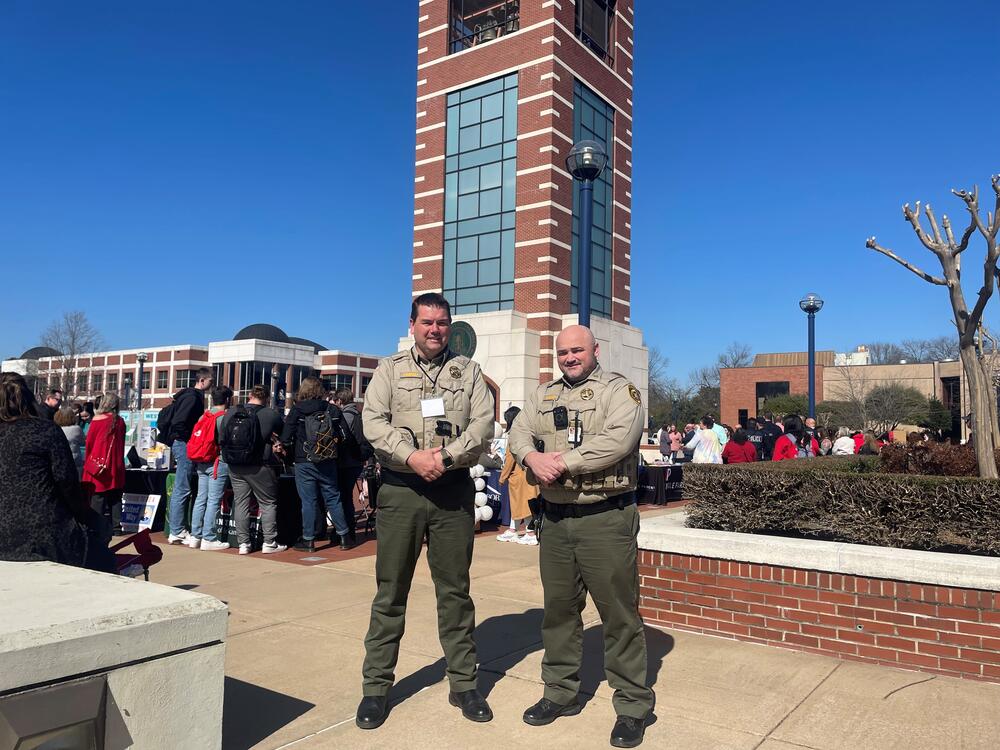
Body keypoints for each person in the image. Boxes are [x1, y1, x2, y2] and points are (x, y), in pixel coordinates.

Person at [507, 324, 653, 748]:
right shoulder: (544, 393)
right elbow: (519, 429)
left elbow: (619, 441)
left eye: (577, 350)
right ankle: (560, 692)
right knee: (559, 612)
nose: (570, 357)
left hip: (604, 519)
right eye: (563, 352)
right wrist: (531, 455)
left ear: (596, 350)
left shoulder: (618, 392)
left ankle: (632, 705)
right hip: (554, 520)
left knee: (619, 615)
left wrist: (563, 463)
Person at [356, 292, 494, 730]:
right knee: (390, 592)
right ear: (412, 324)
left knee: (454, 591)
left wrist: (447, 458)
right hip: (401, 491)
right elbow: (372, 422)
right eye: (427, 322)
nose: (435, 330)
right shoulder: (388, 370)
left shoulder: (469, 372)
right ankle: (376, 688)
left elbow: (482, 425)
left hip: (452, 492)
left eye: (442, 322)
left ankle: (464, 682)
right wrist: (411, 457)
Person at [0, 373, 110, 570]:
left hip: (8, 533)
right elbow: (66, 482)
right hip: (43, 534)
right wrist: (86, 517)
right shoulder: (45, 430)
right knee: (104, 548)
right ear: (29, 399)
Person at [279, 377, 351, 552]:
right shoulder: (332, 409)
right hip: (328, 460)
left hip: (304, 461)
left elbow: (285, 438)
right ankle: (344, 536)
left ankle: (308, 540)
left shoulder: (297, 411)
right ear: (320, 391)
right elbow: (345, 435)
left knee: (308, 501)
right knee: (333, 498)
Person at [222, 385, 287, 555]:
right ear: (266, 398)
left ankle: (243, 544)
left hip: (235, 464)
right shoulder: (270, 414)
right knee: (268, 503)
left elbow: (221, 436)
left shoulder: (231, 412)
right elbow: (285, 434)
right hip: (260, 465)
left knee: (240, 502)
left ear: (249, 395)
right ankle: (269, 542)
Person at [165, 367, 215, 544]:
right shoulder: (193, 397)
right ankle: (177, 530)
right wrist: (190, 438)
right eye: (210, 381)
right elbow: (180, 421)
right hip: (183, 443)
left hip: (182, 442)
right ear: (202, 381)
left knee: (182, 486)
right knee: (182, 487)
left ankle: (177, 529)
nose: (211, 384)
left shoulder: (188, 396)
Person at [188, 385, 233, 551]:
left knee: (201, 498)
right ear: (227, 399)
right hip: (217, 462)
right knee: (213, 500)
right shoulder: (224, 417)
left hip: (201, 461)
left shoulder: (203, 416)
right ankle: (209, 537)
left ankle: (195, 536)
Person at [83, 392, 127, 535]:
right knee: (115, 497)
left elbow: (89, 443)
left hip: (100, 464)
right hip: (116, 464)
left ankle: (98, 527)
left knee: (98, 497)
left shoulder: (97, 420)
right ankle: (116, 527)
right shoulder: (120, 421)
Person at [332, 387, 371, 544]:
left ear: (340, 401)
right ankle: (348, 528)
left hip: (347, 462)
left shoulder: (346, 416)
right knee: (346, 495)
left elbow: (344, 439)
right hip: (356, 461)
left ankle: (346, 530)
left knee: (344, 497)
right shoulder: (358, 414)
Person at [497, 406, 540, 545]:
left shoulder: (514, 435)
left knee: (522, 506)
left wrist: (503, 477)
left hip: (518, 476)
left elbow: (510, 458)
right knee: (522, 506)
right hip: (529, 474)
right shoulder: (529, 432)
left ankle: (530, 532)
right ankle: (513, 529)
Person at [55, 406, 85, 477]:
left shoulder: (55, 429)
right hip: (75, 461)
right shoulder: (76, 429)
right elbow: (82, 442)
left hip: (60, 461)